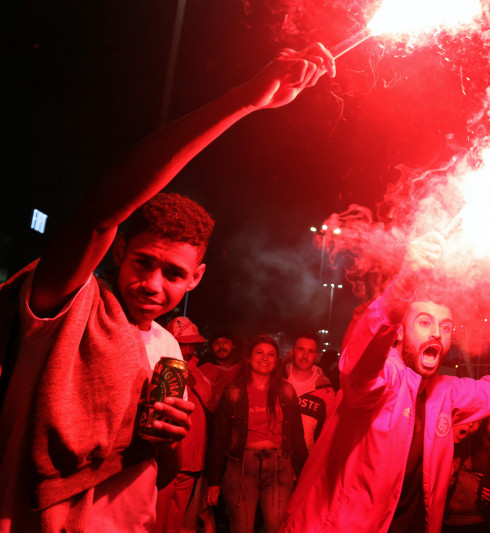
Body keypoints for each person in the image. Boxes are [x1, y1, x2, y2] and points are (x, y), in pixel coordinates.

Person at [0, 43, 335, 532]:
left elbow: (158, 472)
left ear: (196, 277)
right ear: (119, 250)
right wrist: (243, 100)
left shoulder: (168, 346)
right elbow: (98, 214)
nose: (153, 285)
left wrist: (172, 440)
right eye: (145, 262)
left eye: (174, 274)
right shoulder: (66, 303)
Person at [280, 231, 490, 533]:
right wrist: (404, 284)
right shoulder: (382, 378)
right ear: (400, 332)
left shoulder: (445, 392)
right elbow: (357, 362)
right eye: (424, 322)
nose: (437, 333)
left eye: (446, 326)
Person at [206, 335, 307, 533]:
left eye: (271, 354)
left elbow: (297, 435)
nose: (265, 358)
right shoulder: (233, 392)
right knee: (241, 528)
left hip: (279, 468)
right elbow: (219, 437)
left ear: (276, 360)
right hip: (242, 467)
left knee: (277, 528)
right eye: (259, 353)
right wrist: (214, 481)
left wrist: (304, 476)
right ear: (248, 358)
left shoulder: (286, 391)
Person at [155, 316, 214, 533]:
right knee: (157, 520)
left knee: (176, 521)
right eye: (183, 344)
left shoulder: (201, 374)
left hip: (191, 463)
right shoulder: (160, 369)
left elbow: (211, 406)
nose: (188, 350)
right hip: (167, 459)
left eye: (192, 344)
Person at [284, 332, 336, 450]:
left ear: (316, 357)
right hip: (276, 457)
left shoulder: (325, 391)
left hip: (308, 457)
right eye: (301, 349)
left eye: (310, 351)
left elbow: (329, 432)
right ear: (292, 352)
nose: (305, 355)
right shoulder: (278, 381)